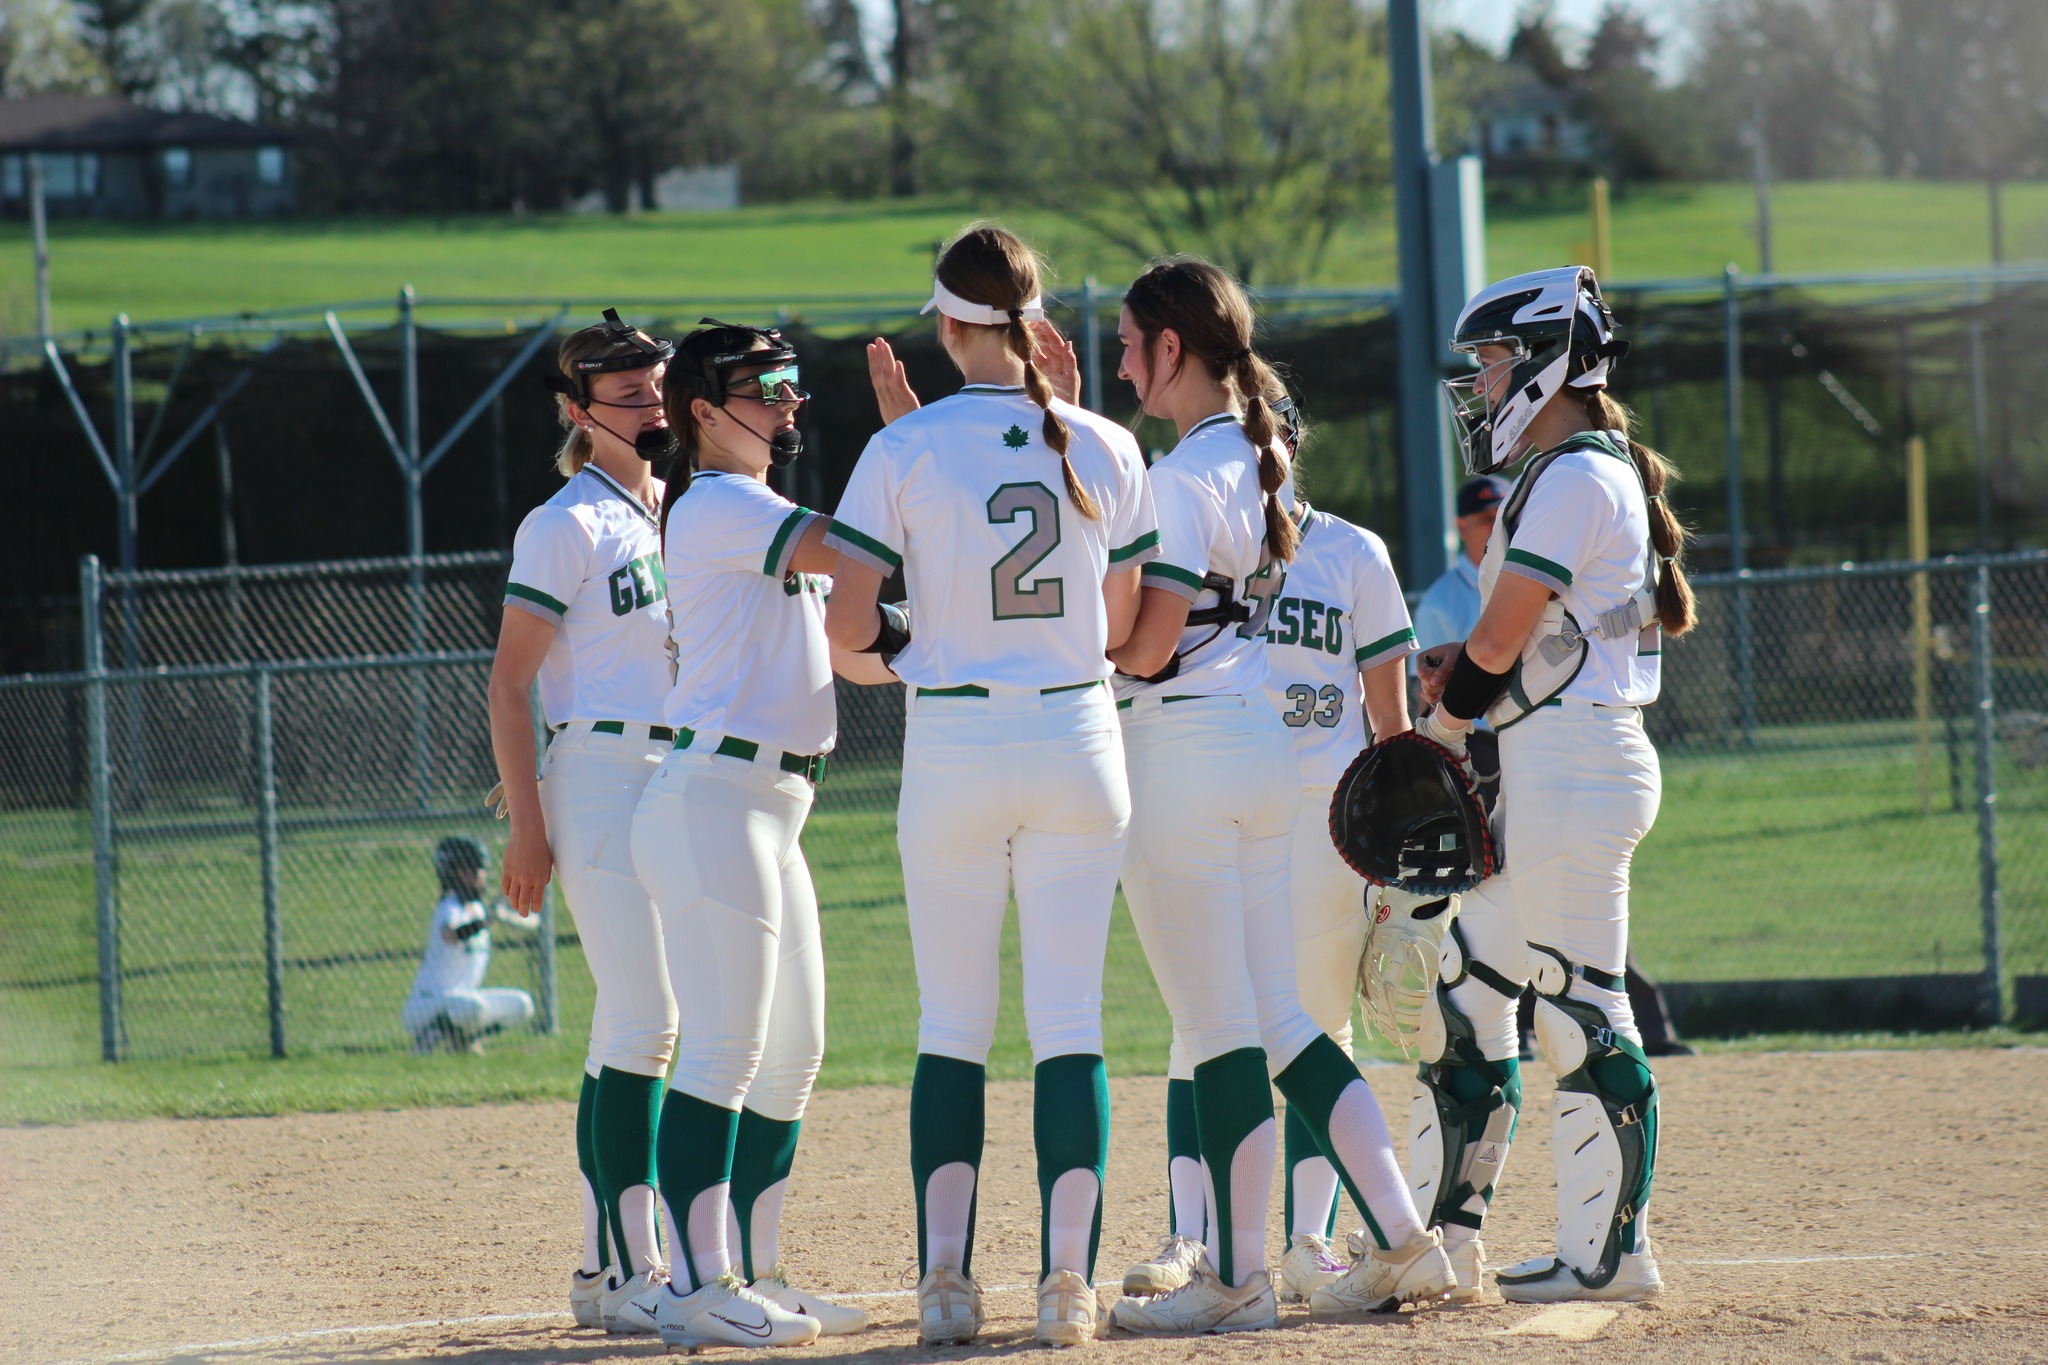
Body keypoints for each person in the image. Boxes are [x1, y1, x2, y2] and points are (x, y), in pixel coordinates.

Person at [824, 224, 1159, 1348]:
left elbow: (845, 629)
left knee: (951, 1023)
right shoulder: (1106, 443)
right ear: (1033, 323)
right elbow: (1122, 628)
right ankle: (1066, 1289)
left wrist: (911, 648)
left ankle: (945, 1287)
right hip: (1077, 733)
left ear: (944, 325)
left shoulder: (905, 448)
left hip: (957, 742)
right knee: (1069, 1019)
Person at [1103, 257, 1452, 1335]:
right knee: (1283, 1019)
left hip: (1182, 751)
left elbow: (1148, 647)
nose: (1121, 361)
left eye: (1130, 342)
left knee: (1217, 1032)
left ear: (1174, 349)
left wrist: (1065, 634)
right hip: (1257, 748)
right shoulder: (1262, 467)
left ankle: (1238, 1279)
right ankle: (1401, 1237)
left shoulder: (1181, 476)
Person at [1411, 265, 1694, 1304]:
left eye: (1490, 364)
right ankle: (1435, 1244)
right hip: (1555, 758)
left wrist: (1443, 721)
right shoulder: (1568, 472)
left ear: (1539, 366)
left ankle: (1611, 1258)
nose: (1481, 386)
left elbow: (1502, 634)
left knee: (1578, 1010)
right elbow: (1520, 643)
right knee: (1468, 985)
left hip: (1574, 766)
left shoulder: (1576, 474)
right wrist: (1464, 678)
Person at [616, 320, 884, 1351]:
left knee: (793, 1053)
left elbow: (850, 647)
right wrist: (907, 449)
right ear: (700, 410)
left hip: (770, 807)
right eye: (761, 385)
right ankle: (694, 1286)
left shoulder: (760, 509)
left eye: (788, 384)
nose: (785, 402)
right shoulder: (722, 503)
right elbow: (859, 546)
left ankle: (756, 1272)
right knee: (725, 1048)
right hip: (713, 801)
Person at [487, 311, 680, 1333]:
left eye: (656, 389)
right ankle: (640, 1270)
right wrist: (528, 826)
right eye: (629, 395)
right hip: (600, 769)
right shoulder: (564, 522)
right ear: (579, 412)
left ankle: (603, 1270)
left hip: (680, 769)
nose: (650, 406)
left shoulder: (683, 510)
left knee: (630, 1023)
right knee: (650, 1019)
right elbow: (510, 682)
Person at [1253, 415, 1422, 1305]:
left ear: (1293, 441)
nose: (1257, 450)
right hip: (1228, 818)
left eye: (1268, 431)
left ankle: (1307, 1245)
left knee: (1317, 1024)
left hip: (1327, 828)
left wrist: (1389, 847)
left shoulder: (1353, 550)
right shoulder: (1203, 547)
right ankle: (1199, 1241)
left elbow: (1390, 719)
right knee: (1220, 1031)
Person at [400, 836, 535, 1054]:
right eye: (473, 870)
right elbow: (451, 934)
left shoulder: (477, 909)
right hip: (426, 1006)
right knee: (473, 1007)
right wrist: (487, 920)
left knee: (523, 1004)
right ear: (453, 873)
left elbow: (526, 924)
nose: (481, 876)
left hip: (461, 1002)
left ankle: (462, 1040)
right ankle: (428, 1040)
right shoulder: (449, 907)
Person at [1410, 475, 1509, 670]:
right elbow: (1426, 690)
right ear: (1462, 528)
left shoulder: (1541, 578)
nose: (1498, 526)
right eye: (1486, 519)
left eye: (1505, 516)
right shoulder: (1437, 604)